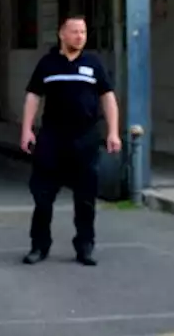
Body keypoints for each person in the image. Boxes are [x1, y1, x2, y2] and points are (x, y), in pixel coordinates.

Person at [18, 15, 121, 267]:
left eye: (83, 32)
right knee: (43, 196)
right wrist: (27, 129)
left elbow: (108, 98)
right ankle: (39, 246)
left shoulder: (93, 64)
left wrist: (113, 131)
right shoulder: (48, 63)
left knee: (85, 197)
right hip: (52, 137)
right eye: (74, 32)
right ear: (62, 34)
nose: (80, 37)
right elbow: (33, 96)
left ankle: (85, 246)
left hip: (85, 137)